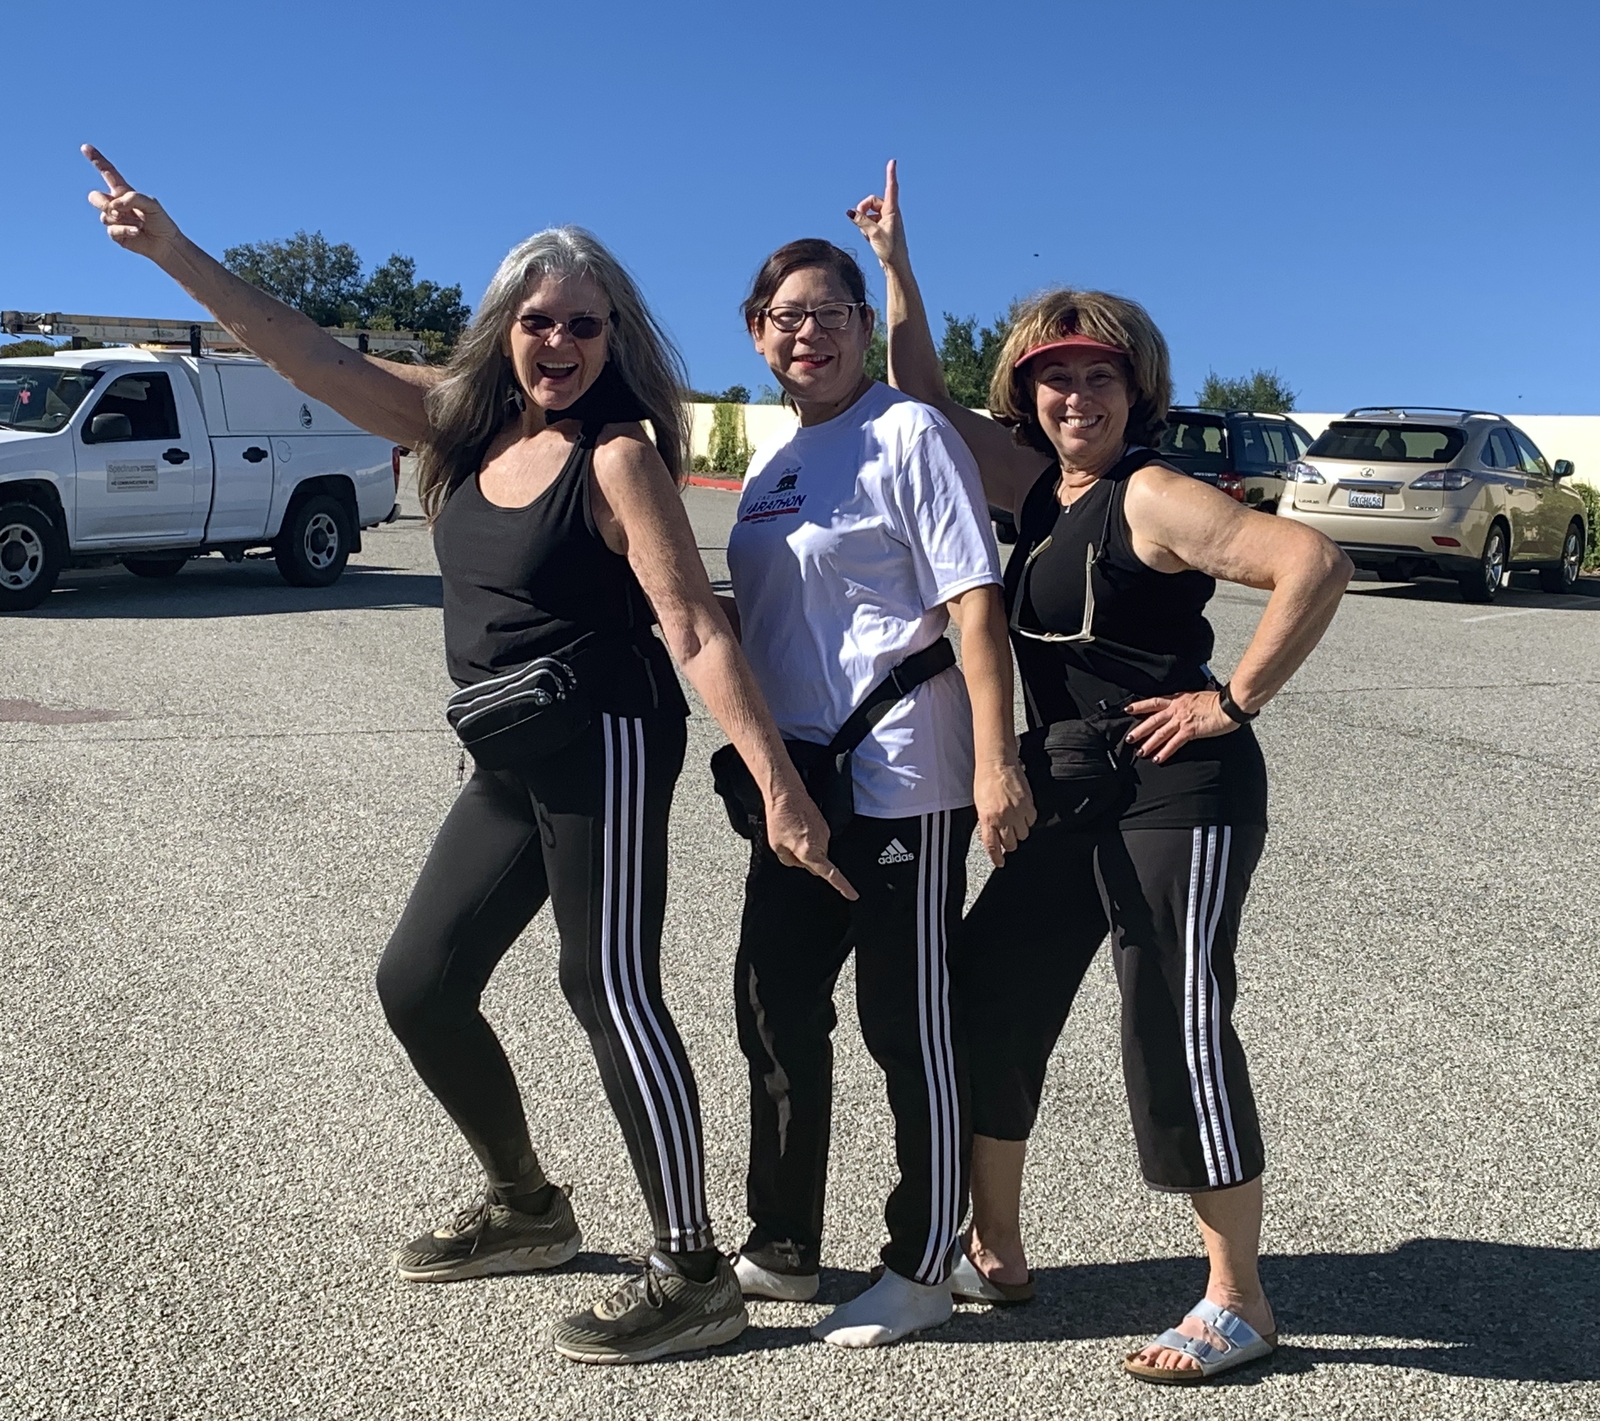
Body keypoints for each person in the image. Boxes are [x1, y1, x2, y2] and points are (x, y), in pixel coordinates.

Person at [84, 144, 857, 1367]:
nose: (560, 345)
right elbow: (311, 353)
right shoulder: (460, 425)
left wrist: (778, 783)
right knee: (421, 982)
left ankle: (692, 1268)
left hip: (603, 740)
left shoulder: (619, 454)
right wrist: (172, 251)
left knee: (607, 988)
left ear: (613, 336)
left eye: (584, 326)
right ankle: (528, 1205)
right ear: (504, 328)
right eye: (538, 322)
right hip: (507, 749)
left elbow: (694, 623)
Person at [850, 161, 1352, 1384]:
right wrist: (897, 270)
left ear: (1137, 387)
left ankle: (1237, 1297)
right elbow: (916, 389)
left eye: (1098, 373)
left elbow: (1311, 561)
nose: (1074, 392)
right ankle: (999, 1249)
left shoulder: (1155, 491)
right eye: (1051, 374)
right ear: (1025, 391)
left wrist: (1229, 699)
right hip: (1064, 782)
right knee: (991, 989)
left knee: (1169, 1016)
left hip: (1176, 787)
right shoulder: (1031, 487)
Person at [720, 238, 1035, 1348]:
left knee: (905, 1024)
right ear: (757, 334)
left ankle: (922, 1259)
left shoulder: (907, 433)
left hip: (908, 778)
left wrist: (995, 764)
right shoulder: (771, 468)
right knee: (772, 1005)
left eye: (829, 312)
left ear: (861, 325)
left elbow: (976, 606)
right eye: (785, 316)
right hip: (803, 789)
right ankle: (785, 1241)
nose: (808, 332)